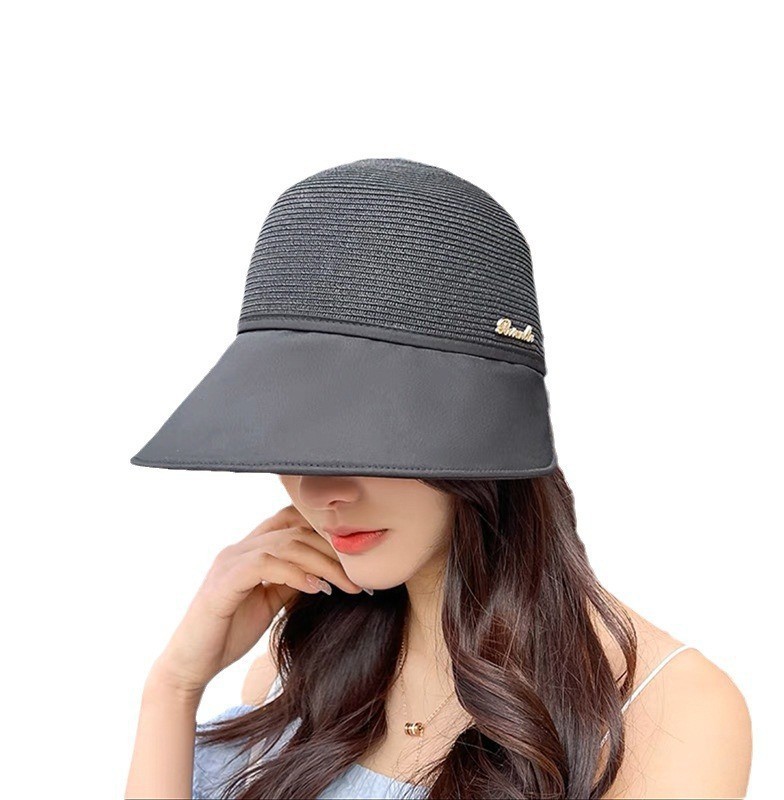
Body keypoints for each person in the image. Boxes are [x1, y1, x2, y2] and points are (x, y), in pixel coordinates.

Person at [123, 158, 752, 798]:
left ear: (480, 428)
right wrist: (174, 686)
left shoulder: (671, 713)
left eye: (366, 436)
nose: (319, 492)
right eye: (290, 435)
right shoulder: (299, 673)